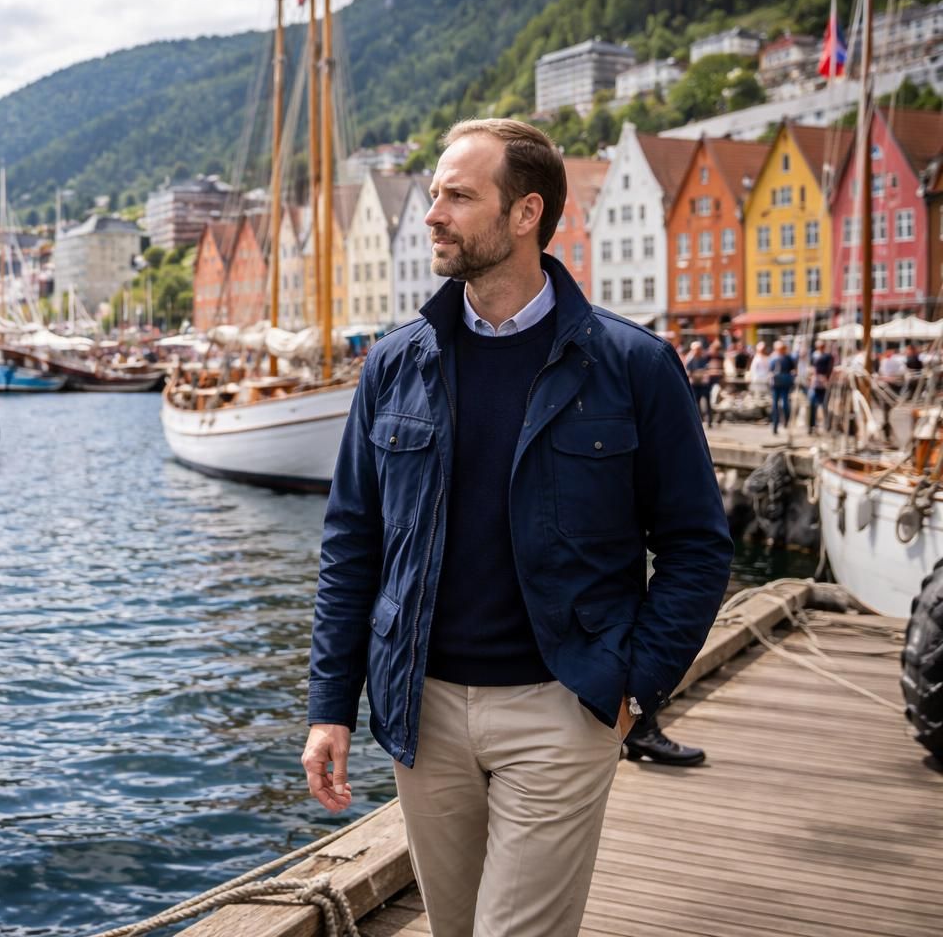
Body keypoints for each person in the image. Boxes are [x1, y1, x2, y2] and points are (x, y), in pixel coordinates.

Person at [302, 118, 732, 937]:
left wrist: (636, 683)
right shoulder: (396, 363)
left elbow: (697, 543)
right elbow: (351, 545)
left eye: (458, 196)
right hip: (419, 713)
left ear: (526, 212)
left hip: (561, 709)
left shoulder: (632, 366)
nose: (434, 213)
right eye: (433, 195)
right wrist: (331, 707)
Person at [769, 340, 796, 435]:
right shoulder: (773, 358)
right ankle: (775, 426)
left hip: (785, 385)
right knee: (775, 406)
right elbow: (770, 370)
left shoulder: (788, 358)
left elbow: (793, 370)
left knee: (785, 404)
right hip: (775, 385)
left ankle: (786, 421)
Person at [684, 341, 713, 427]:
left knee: (707, 402)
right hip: (695, 384)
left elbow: (707, 369)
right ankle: (699, 421)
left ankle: (709, 421)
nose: (698, 351)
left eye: (699, 349)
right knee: (696, 403)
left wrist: (700, 372)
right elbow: (688, 371)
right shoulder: (690, 359)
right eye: (696, 350)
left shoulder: (704, 358)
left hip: (704, 384)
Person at [808, 340, 834, 433]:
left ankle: (827, 425)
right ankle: (811, 426)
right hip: (815, 384)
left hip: (824, 384)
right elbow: (811, 368)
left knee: (825, 405)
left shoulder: (828, 356)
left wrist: (827, 380)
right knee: (812, 405)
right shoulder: (813, 355)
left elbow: (830, 369)